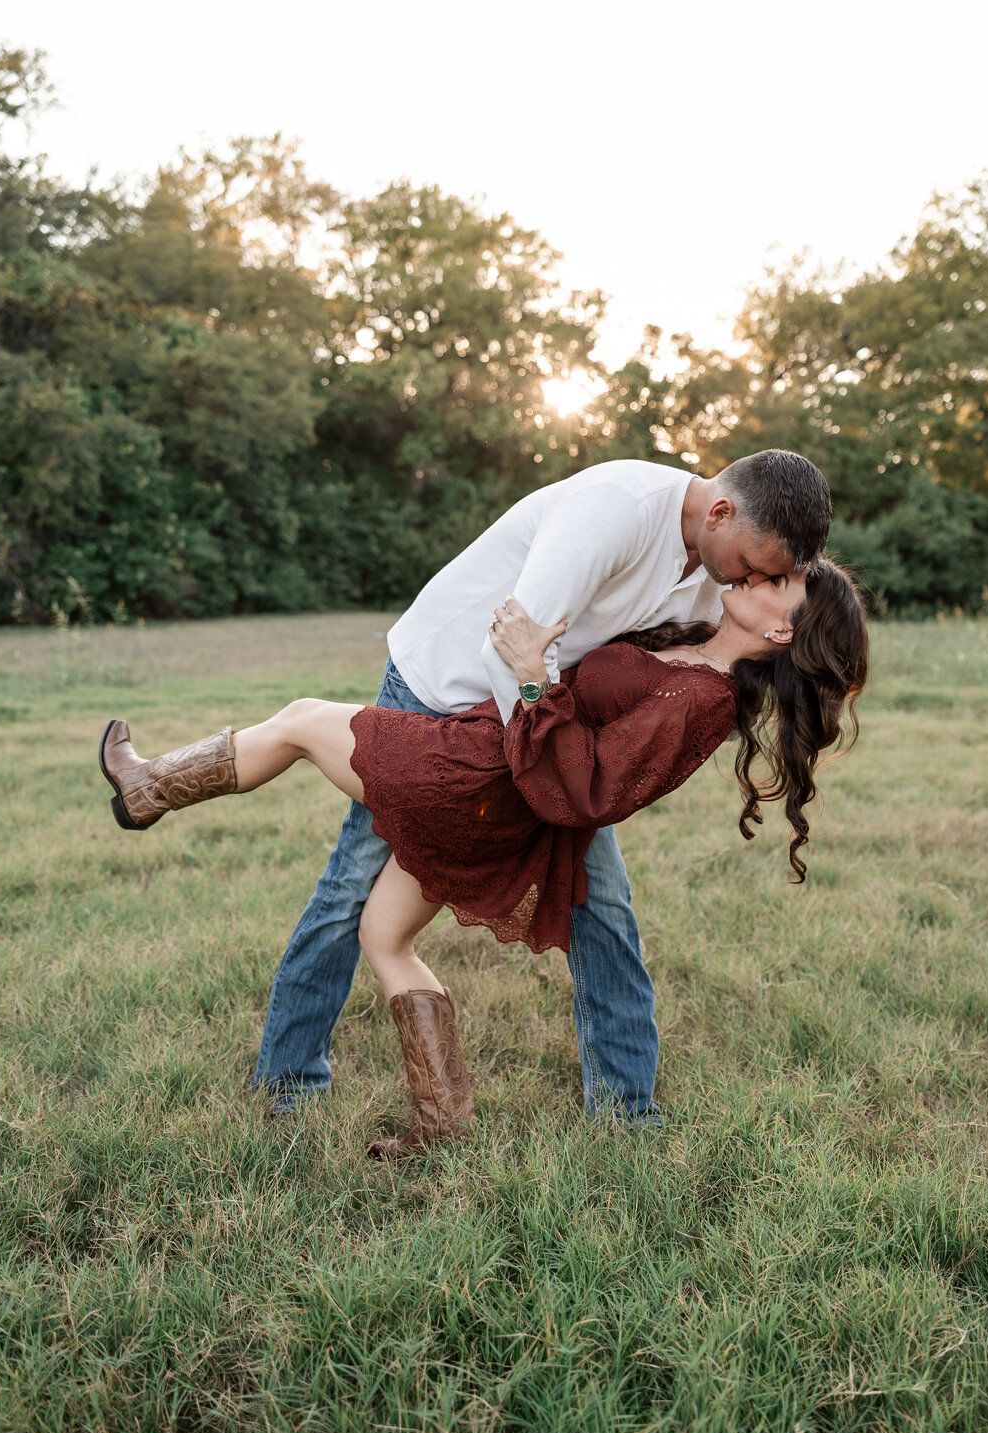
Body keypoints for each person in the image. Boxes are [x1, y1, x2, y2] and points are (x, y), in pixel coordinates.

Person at [99, 557, 869, 1157]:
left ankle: (147, 788)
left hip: (477, 773)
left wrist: (534, 676)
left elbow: (595, 792)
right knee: (383, 936)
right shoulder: (693, 643)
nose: (758, 576)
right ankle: (443, 1117)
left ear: (780, 635)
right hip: (492, 796)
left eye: (779, 585)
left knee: (301, 721)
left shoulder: (704, 698)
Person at [266, 451, 834, 1124]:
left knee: (603, 907)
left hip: (551, 736)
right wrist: (546, 786)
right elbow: (507, 648)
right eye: (755, 564)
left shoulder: (721, 569)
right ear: (720, 512)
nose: (755, 579)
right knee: (352, 884)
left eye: (770, 575)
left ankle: (625, 1113)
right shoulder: (618, 508)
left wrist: (562, 775)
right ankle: (288, 1082)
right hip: (447, 690)